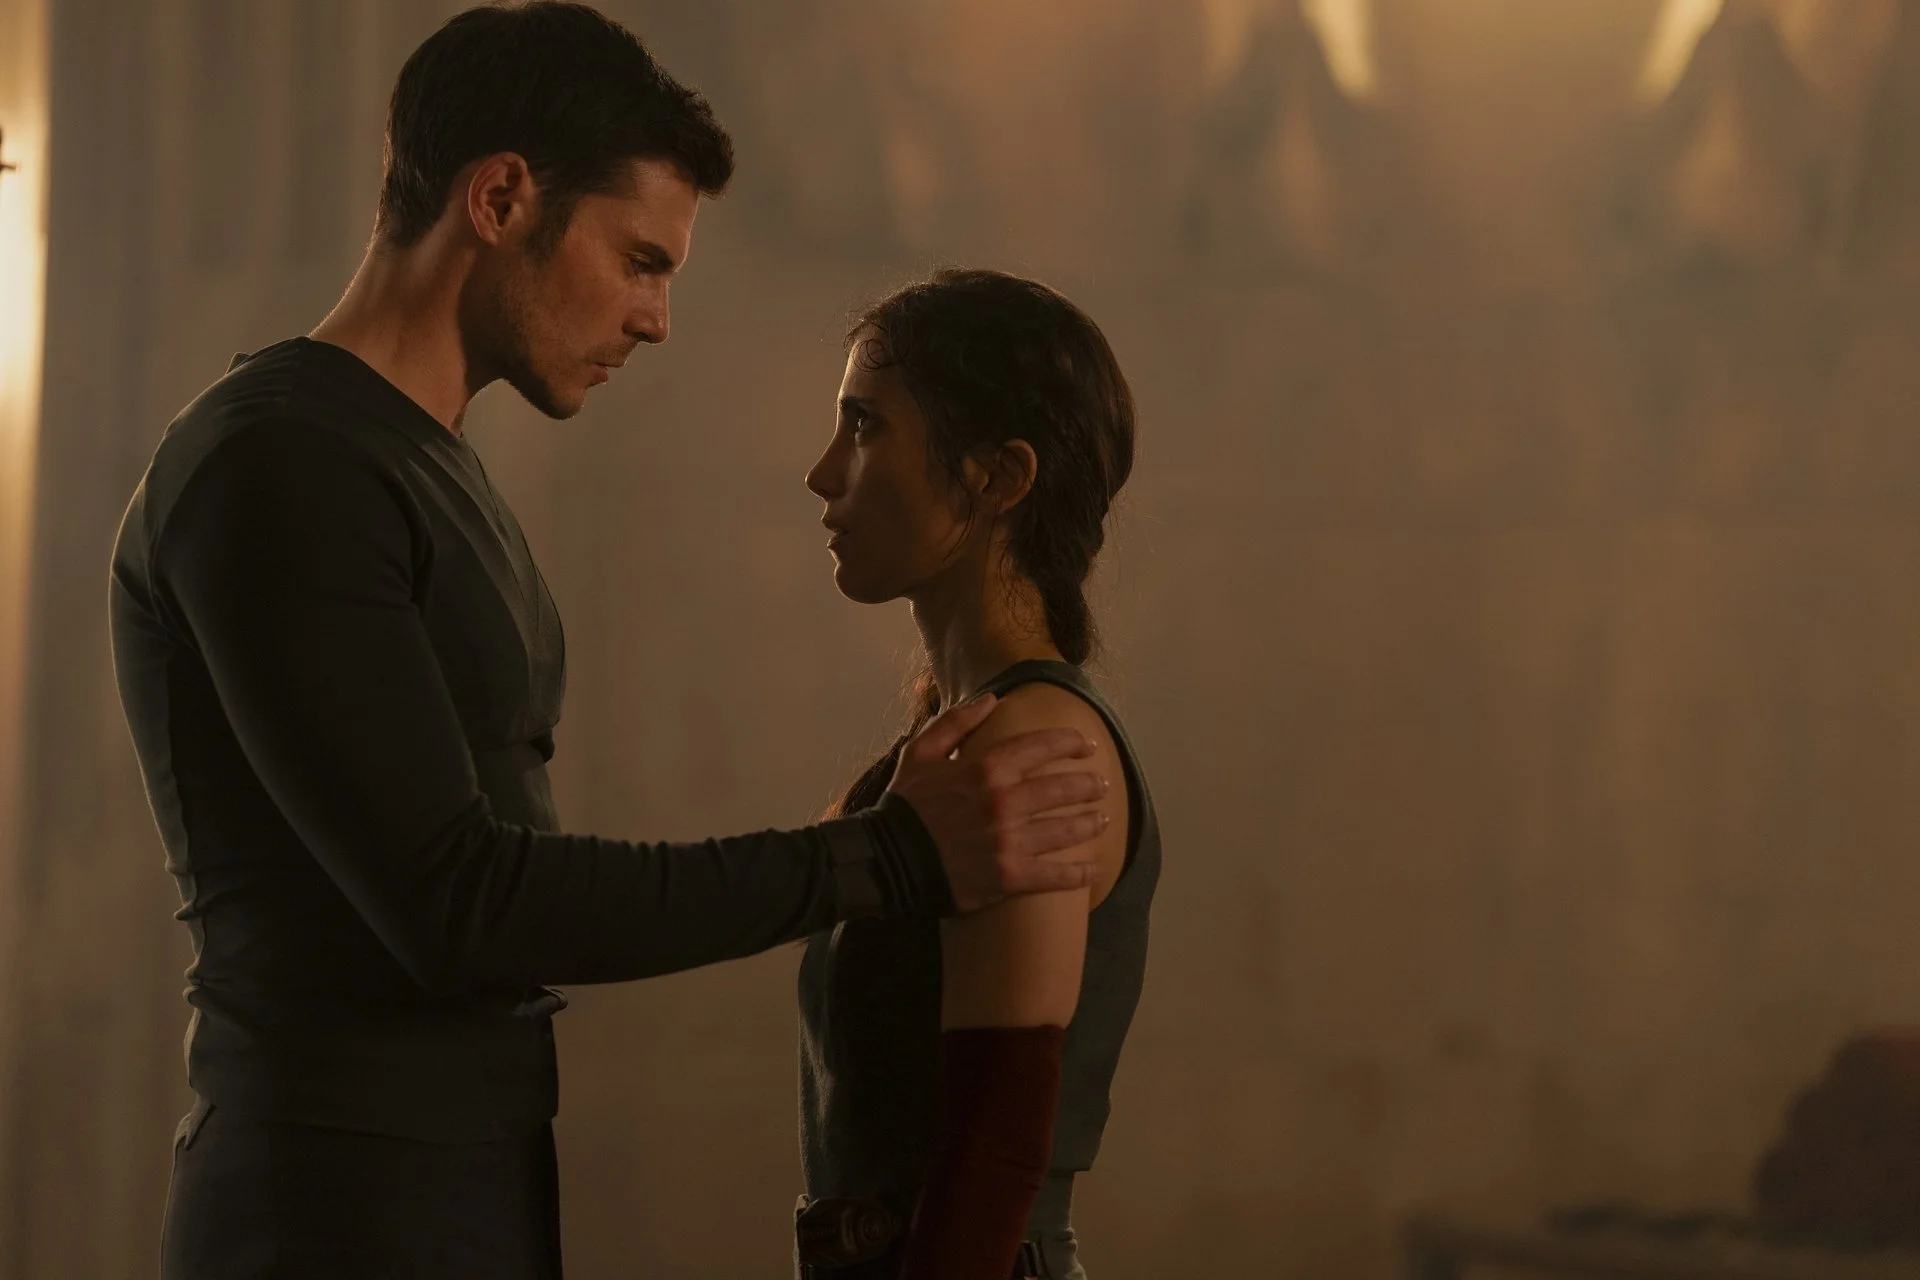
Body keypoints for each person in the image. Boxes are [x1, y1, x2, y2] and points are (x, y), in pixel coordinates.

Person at [108, 8, 1109, 1278]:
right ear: (501, 199)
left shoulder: (420, 466)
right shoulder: (283, 463)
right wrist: (884, 853)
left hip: (459, 1179)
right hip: (326, 1201)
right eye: (640, 260)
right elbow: (457, 902)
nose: (656, 318)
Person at [794, 270, 1161, 1280]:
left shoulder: (1031, 742)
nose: (823, 473)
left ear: (999, 477)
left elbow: (996, 1149)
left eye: (864, 426)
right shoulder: (953, 740)